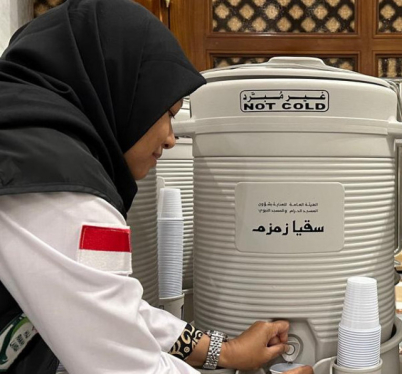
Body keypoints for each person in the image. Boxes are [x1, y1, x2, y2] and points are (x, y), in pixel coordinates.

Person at [0, 1, 314, 373]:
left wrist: (223, 352)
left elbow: (110, 310)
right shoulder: (60, 185)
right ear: (121, 86)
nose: (170, 139)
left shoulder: (23, 140)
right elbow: (125, 364)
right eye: (168, 114)